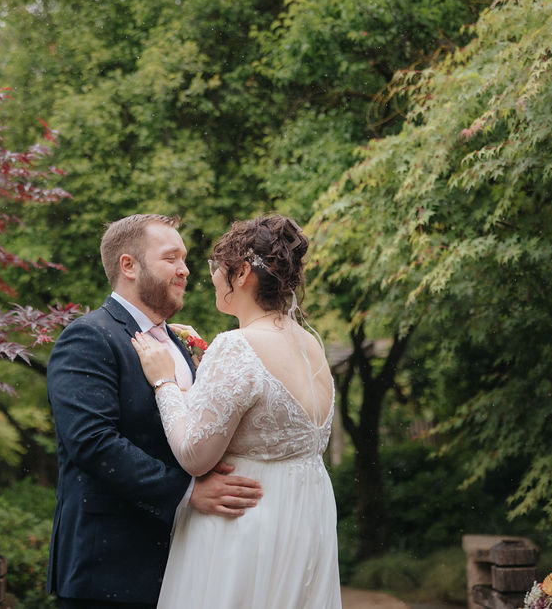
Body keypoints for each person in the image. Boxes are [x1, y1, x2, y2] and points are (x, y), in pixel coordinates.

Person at [45, 213, 264, 609]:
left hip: (182, 565)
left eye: (184, 259)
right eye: (171, 258)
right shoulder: (89, 336)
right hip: (109, 570)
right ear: (128, 265)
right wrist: (188, 491)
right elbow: (93, 443)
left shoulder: (180, 343)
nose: (185, 270)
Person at [130, 214, 342, 608]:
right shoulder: (312, 347)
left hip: (246, 525)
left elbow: (194, 455)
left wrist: (165, 383)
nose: (209, 277)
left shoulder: (237, 346)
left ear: (242, 273)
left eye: (216, 267)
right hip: (304, 519)